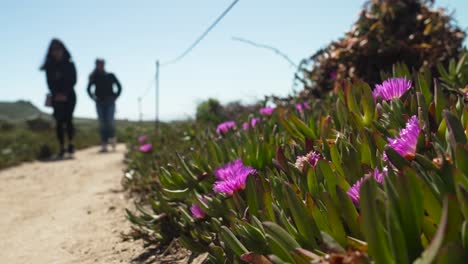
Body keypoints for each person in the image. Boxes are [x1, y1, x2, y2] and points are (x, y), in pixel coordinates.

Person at [40, 39, 77, 158]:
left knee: (68, 119)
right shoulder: (49, 66)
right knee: (59, 121)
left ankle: (71, 144)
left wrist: (65, 93)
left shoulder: (70, 64)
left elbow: (73, 80)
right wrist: (56, 94)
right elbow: (49, 82)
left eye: (58, 49)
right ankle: (62, 147)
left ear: (63, 50)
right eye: (53, 50)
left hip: (70, 96)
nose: (56, 52)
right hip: (56, 97)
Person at [87, 59, 122, 152]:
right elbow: (88, 89)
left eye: (101, 64)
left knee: (110, 121)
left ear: (104, 65)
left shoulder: (110, 76)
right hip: (99, 102)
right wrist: (93, 98)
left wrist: (116, 96)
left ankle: (113, 138)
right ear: (96, 65)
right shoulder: (94, 77)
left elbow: (119, 86)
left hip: (110, 101)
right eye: (98, 64)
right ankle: (104, 143)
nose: (100, 66)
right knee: (102, 123)